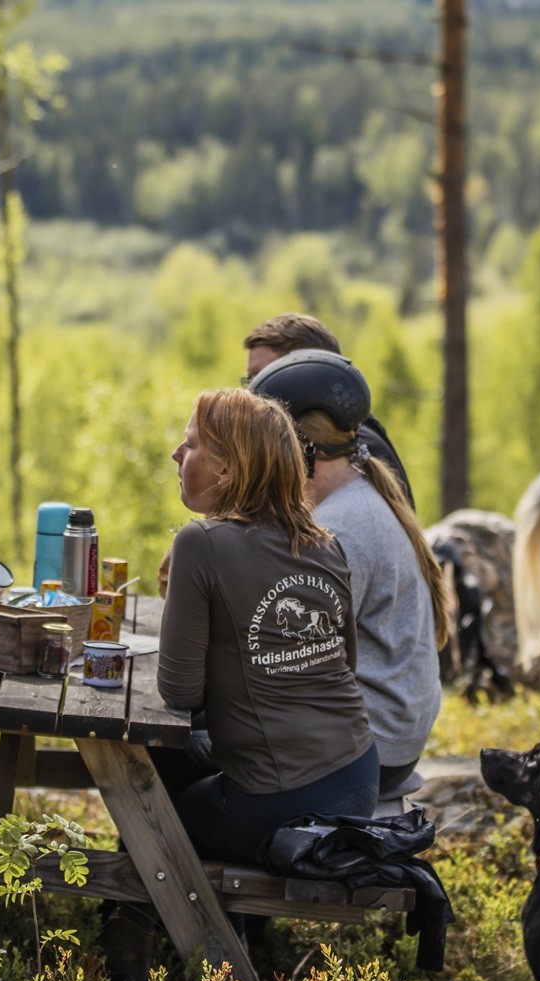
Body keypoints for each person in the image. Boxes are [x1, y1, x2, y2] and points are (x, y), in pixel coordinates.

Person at [158, 388, 379, 863]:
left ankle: (197, 930)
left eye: (191, 444)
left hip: (287, 798)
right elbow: (344, 665)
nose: (177, 454)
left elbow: (179, 693)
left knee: (161, 797)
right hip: (358, 777)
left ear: (227, 468)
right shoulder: (324, 543)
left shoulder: (200, 542)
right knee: (182, 756)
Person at [249, 351, 451, 793]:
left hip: (371, 752)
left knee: (187, 765)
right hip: (389, 738)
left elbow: (290, 664)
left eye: (262, 450)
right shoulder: (356, 493)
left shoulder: (339, 528)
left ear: (298, 451)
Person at [242, 313, 414, 508]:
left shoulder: (347, 448)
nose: (252, 392)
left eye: (264, 375)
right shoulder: (348, 436)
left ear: (309, 370)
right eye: (251, 379)